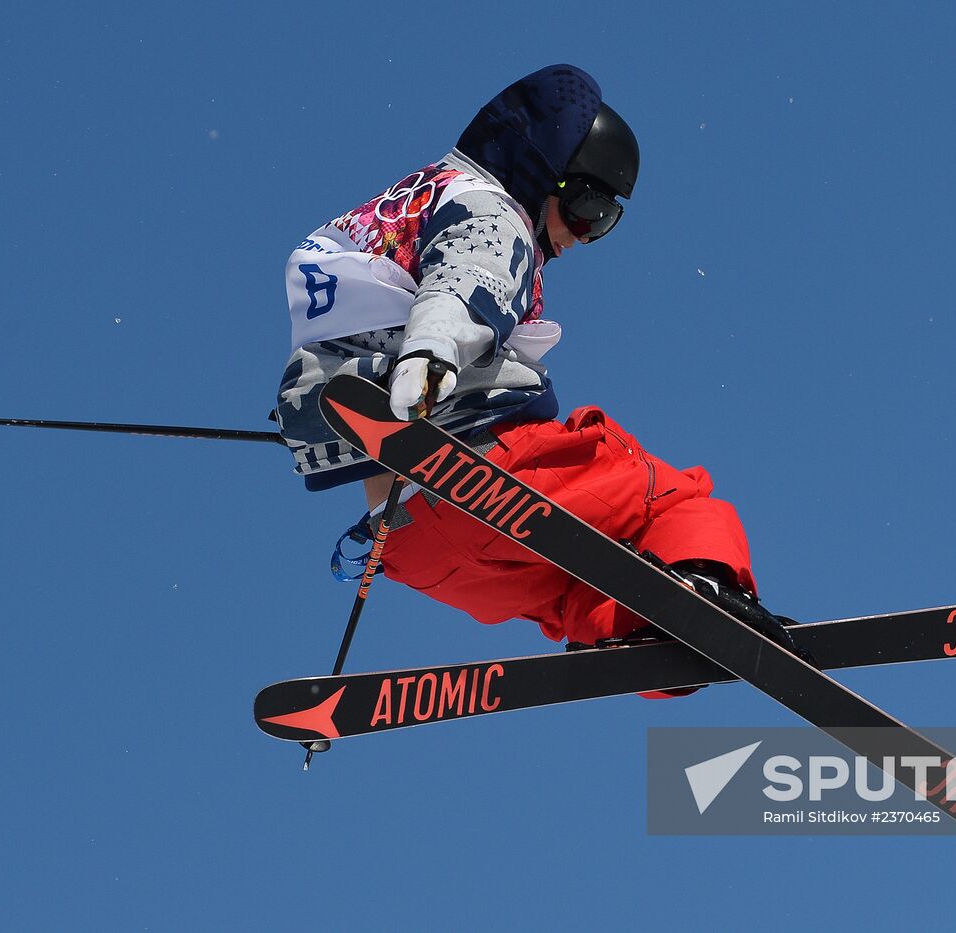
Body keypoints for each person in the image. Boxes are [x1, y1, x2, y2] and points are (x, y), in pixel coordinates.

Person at [275, 65, 801, 681]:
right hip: (487, 473)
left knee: (571, 584)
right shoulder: (490, 210)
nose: (582, 237)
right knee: (670, 498)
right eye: (586, 208)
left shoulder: (378, 220)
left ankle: (639, 632)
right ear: (537, 165)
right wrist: (434, 349)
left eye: (602, 223)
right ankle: (704, 588)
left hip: (411, 543)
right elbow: (471, 280)